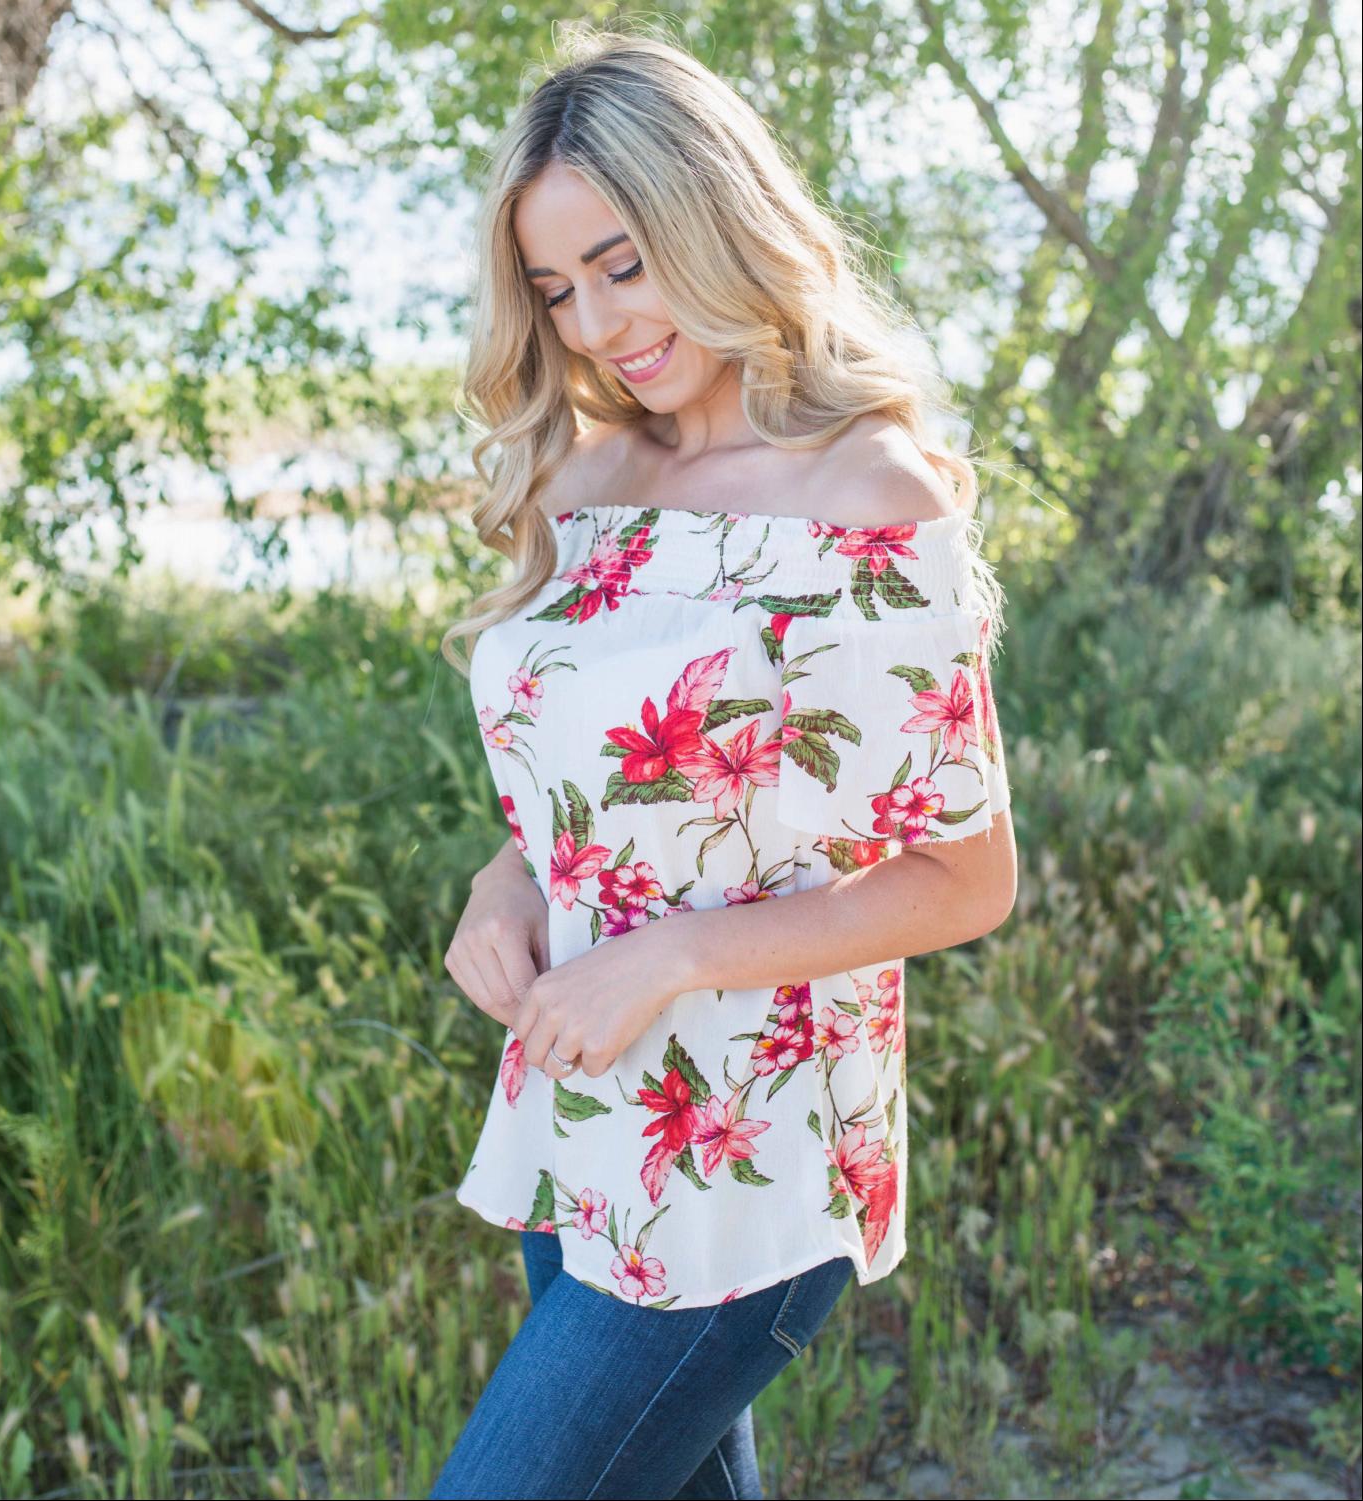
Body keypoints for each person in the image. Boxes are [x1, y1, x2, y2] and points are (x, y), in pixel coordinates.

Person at [432, 24, 1018, 1501]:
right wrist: (504, 883)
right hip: (579, 1116)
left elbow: (964, 876)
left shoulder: (863, 496)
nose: (597, 323)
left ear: (712, 211)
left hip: (750, 1161)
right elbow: (567, 795)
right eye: (558, 291)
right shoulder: (588, 481)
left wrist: (673, 957)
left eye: (623, 262)